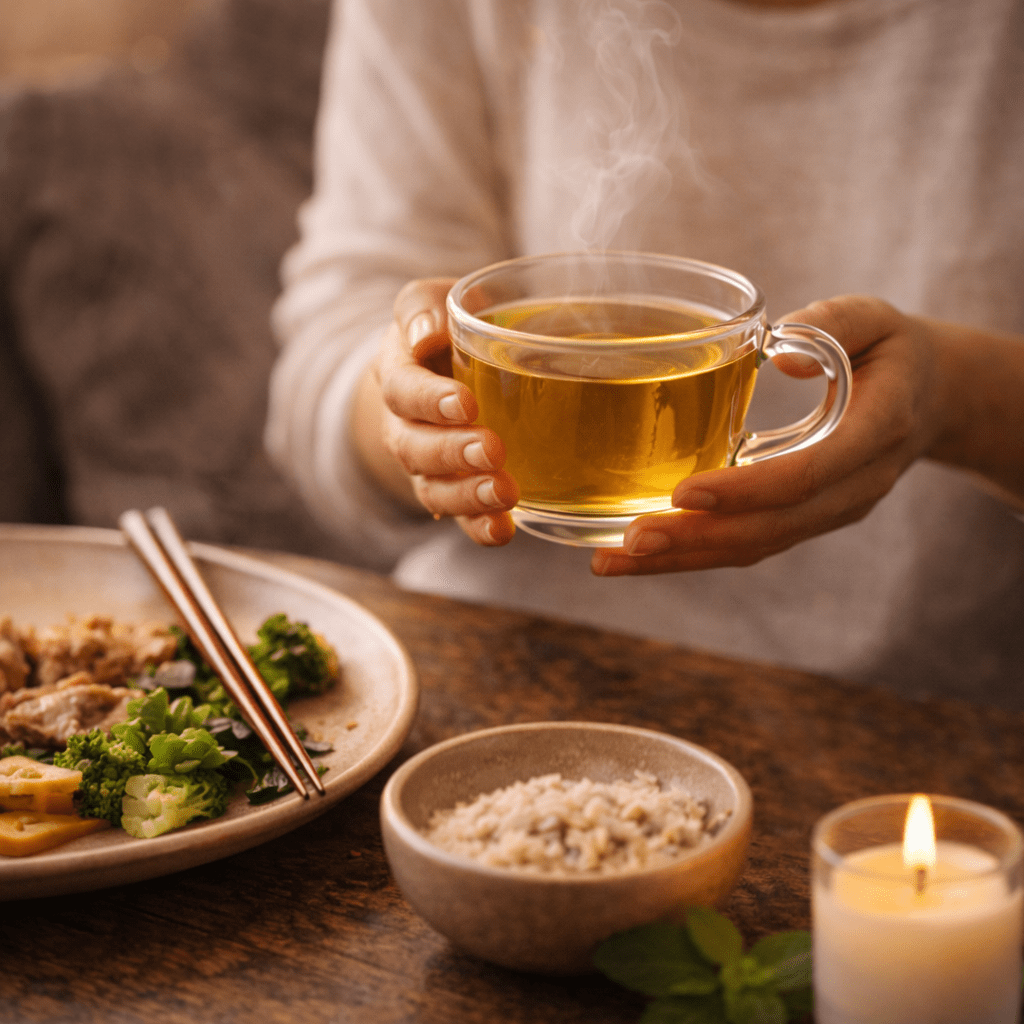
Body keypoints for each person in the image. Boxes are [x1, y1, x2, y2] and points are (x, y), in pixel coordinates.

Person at [267, 0, 1024, 708]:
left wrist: (955, 397)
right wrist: (414, 415)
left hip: (927, 719)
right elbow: (333, 348)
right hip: (496, 669)